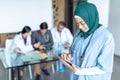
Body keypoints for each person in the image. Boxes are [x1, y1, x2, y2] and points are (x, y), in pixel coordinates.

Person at [60, 2, 115, 80]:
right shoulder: (78, 33)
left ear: (91, 18)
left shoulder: (106, 37)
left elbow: (104, 68)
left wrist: (80, 71)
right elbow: (73, 51)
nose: (79, 27)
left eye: (82, 23)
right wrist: (69, 56)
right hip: (76, 77)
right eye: (77, 23)